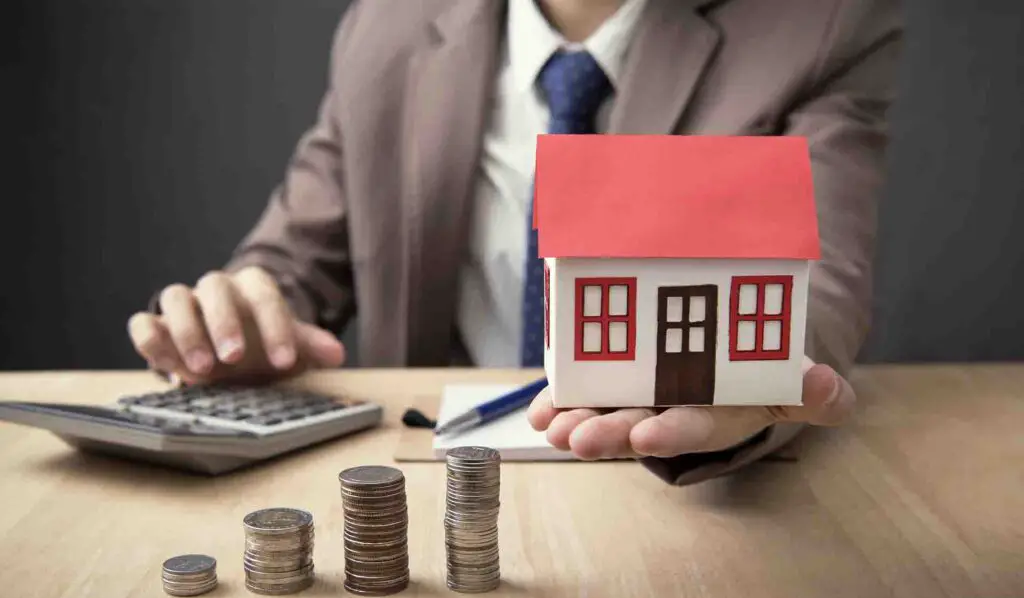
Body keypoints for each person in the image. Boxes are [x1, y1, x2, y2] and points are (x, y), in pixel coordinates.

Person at [127, 0, 904, 485]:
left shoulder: (825, 21)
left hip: (665, 488)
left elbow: (819, 279)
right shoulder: (388, 24)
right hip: (435, 471)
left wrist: (751, 376)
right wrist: (247, 317)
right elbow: (295, 259)